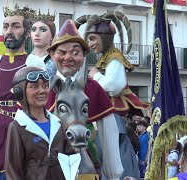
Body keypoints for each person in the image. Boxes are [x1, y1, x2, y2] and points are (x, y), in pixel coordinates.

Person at [46, 19, 126, 179]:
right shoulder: (42, 89)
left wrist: (113, 175)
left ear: (84, 56)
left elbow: (109, 135)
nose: (68, 57)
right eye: (61, 52)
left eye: (75, 53)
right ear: (51, 55)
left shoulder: (94, 89)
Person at [75, 12, 150, 179]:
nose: (91, 43)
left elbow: (114, 86)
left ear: (105, 38)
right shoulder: (106, 58)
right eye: (89, 39)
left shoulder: (114, 58)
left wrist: (95, 76)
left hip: (112, 117)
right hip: (105, 116)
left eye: (93, 39)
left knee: (114, 153)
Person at [0, 4, 35, 179]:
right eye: (6, 27)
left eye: (15, 26)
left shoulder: (35, 62)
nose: (9, 31)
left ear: (27, 33)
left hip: (26, 123)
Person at [5, 66, 74, 179]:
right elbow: (13, 171)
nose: (42, 91)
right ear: (19, 92)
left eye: (45, 86)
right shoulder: (17, 127)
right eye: (34, 86)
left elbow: (70, 158)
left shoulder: (57, 124)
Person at [26, 10, 57, 77]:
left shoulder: (57, 61)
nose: (37, 34)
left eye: (43, 30)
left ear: (52, 35)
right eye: (34, 30)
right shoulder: (24, 60)